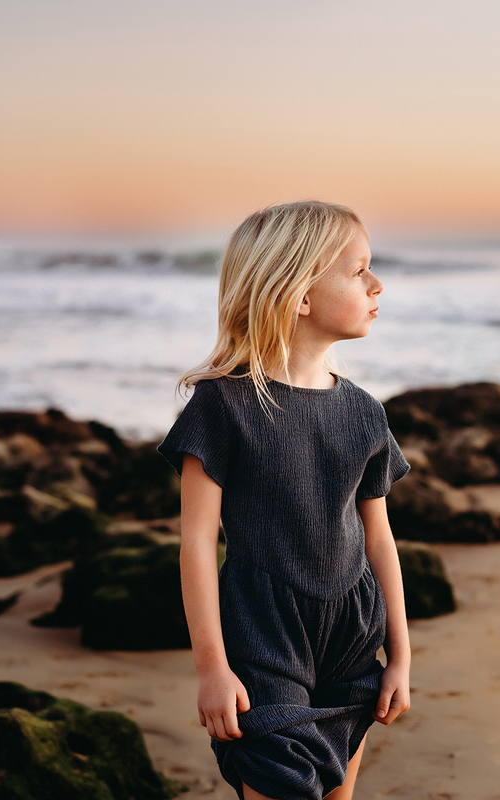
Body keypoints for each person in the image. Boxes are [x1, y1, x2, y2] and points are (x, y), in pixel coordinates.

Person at [158, 201, 412, 800]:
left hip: (352, 633)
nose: (378, 284)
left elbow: (379, 537)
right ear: (299, 295)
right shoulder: (223, 407)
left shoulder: (363, 413)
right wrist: (211, 668)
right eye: (358, 271)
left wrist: (399, 655)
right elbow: (196, 541)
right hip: (262, 633)